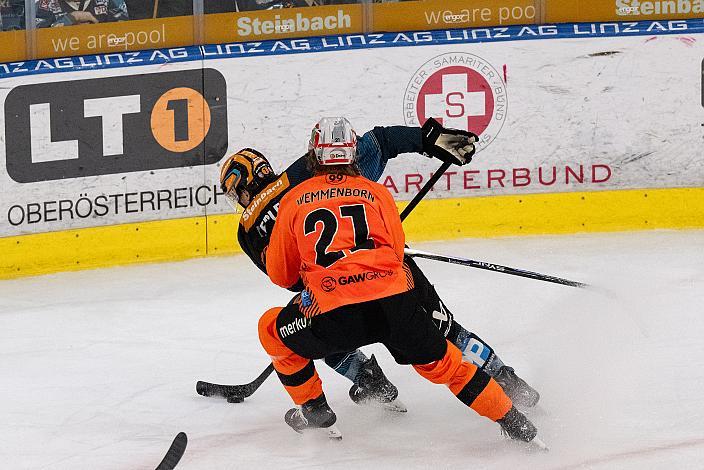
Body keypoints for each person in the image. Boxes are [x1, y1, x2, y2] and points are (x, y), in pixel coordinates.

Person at [256, 117, 543, 445]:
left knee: (271, 329)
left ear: (313, 155)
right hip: (394, 303)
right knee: (447, 363)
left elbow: (282, 275)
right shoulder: (376, 192)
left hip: (336, 312)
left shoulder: (293, 200)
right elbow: (395, 254)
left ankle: (313, 408)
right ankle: (513, 419)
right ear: (353, 154)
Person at [36, 0, 129, 28]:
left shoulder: (110, 1)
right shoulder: (44, 5)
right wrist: (71, 18)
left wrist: (95, 27)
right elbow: (37, 41)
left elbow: (125, 33)